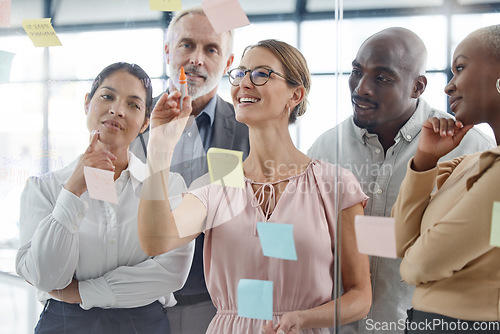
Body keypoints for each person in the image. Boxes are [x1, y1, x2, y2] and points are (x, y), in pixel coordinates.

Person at [137, 39, 372, 334]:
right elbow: (155, 240)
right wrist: (160, 147)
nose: (244, 84)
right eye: (240, 74)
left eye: (261, 74)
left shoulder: (335, 185)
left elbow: (360, 296)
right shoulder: (219, 182)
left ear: (295, 94)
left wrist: (304, 319)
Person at [307, 27, 496, 334]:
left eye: (382, 78)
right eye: (356, 71)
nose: (362, 88)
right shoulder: (325, 149)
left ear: (418, 86)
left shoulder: (472, 148)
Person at [15, 62, 194, 334]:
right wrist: (71, 192)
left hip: (142, 325)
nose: (117, 110)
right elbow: (45, 276)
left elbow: (172, 272)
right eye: (107, 96)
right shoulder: (45, 188)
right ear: (87, 103)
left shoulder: (168, 185)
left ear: (146, 122)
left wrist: (80, 292)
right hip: (64, 324)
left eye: (133, 105)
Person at [129, 7, 250, 333]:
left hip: (214, 303)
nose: (197, 59)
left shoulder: (247, 129)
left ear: (227, 62)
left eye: (211, 49)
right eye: (186, 45)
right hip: (135, 301)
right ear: (168, 50)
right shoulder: (132, 120)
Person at [393, 24, 500, 334]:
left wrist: (412, 262)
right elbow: (401, 242)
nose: (448, 87)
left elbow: (422, 265)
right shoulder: (466, 164)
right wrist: (425, 161)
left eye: (461, 68)